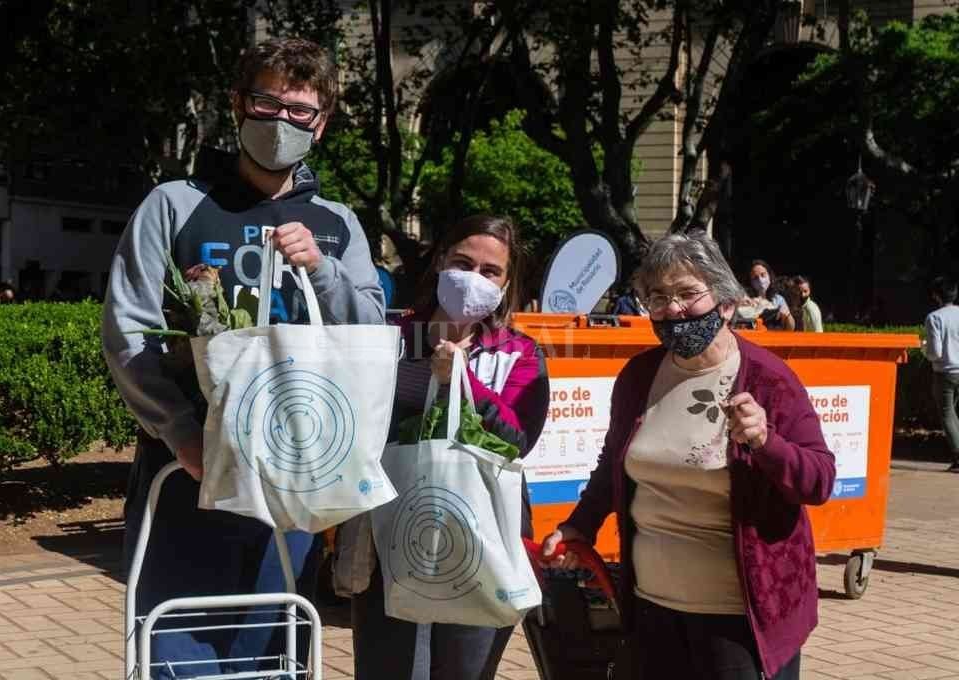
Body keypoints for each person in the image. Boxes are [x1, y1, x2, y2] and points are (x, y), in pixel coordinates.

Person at [101, 38, 385, 677]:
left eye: (300, 110)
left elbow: (369, 335)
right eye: (267, 102)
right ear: (238, 105)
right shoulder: (173, 206)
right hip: (188, 476)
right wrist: (180, 434)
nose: (281, 122)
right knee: (173, 647)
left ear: (322, 122)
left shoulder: (338, 224)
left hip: (295, 480)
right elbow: (129, 332)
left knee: (274, 650)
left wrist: (326, 269)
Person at [541, 231, 835, 680]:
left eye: (688, 293)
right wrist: (579, 526)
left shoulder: (769, 380)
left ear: (726, 302)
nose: (673, 309)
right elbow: (612, 467)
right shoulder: (639, 376)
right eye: (657, 297)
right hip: (650, 611)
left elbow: (819, 481)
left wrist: (766, 442)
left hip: (740, 622)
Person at [335, 214, 550, 680]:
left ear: (507, 283)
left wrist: (463, 382)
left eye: (490, 271)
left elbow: (517, 441)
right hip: (390, 537)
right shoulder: (390, 338)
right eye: (462, 262)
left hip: (481, 542)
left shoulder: (520, 353)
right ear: (439, 264)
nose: (474, 278)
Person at [924, 276, 959, 472]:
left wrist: (924, 350)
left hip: (945, 372)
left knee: (947, 414)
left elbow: (935, 352)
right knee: (954, 414)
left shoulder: (934, 317)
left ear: (936, 295)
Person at [737, 260, 795, 330]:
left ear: (769, 275)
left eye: (763, 275)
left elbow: (790, 329)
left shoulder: (778, 299)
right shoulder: (746, 300)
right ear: (750, 281)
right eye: (755, 278)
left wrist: (787, 315)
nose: (760, 280)